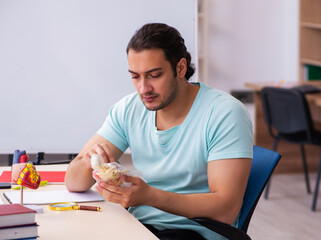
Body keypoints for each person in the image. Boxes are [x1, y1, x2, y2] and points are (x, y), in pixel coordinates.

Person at [65, 23, 253, 240]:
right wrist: (89, 163)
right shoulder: (129, 109)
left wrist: (149, 196)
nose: (144, 89)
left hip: (195, 232)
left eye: (154, 75)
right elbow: (73, 181)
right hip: (140, 228)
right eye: (135, 76)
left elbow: (225, 209)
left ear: (180, 68)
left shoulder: (224, 113)